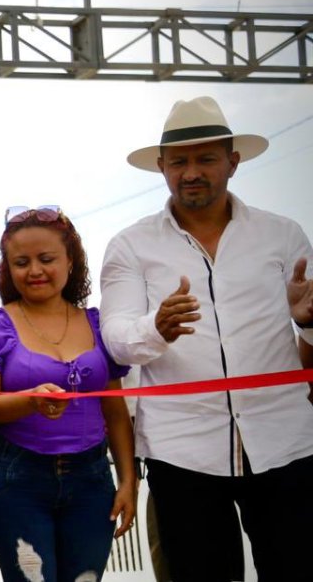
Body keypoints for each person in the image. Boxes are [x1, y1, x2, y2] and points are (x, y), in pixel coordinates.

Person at [100, 96, 313, 582]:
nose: (191, 172)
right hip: (182, 453)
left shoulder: (283, 235)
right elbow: (115, 341)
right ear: (161, 167)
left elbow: (310, 333)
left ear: (232, 163)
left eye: (206, 159)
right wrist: (156, 328)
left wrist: (307, 322)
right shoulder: (131, 245)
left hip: (286, 444)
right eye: (179, 162)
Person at [0, 206, 136, 582]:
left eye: (47, 259)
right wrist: (31, 400)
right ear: (7, 269)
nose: (35, 270)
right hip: (16, 480)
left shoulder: (97, 323)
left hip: (92, 480)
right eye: (21, 262)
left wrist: (128, 481)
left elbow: (115, 411)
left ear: (70, 260)